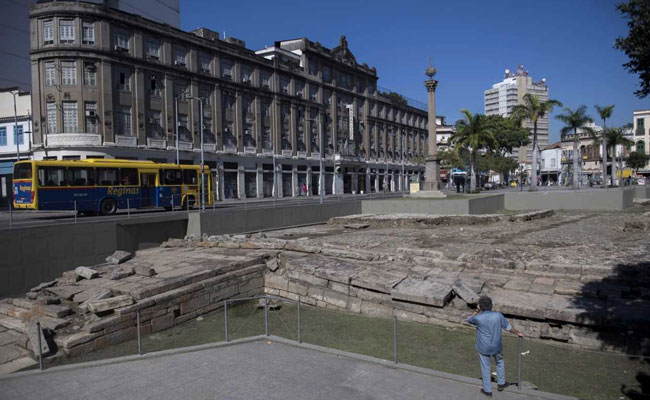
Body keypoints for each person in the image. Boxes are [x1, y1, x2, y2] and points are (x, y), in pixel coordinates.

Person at [467, 296, 523, 397]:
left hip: (483, 347)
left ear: (481, 306)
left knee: (485, 367)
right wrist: (517, 333)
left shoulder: (478, 318)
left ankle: (487, 390)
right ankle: (501, 383)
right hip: (496, 346)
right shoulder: (498, 315)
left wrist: (476, 310)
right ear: (491, 305)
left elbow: (469, 319)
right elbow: (508, 327)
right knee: (500, 362)